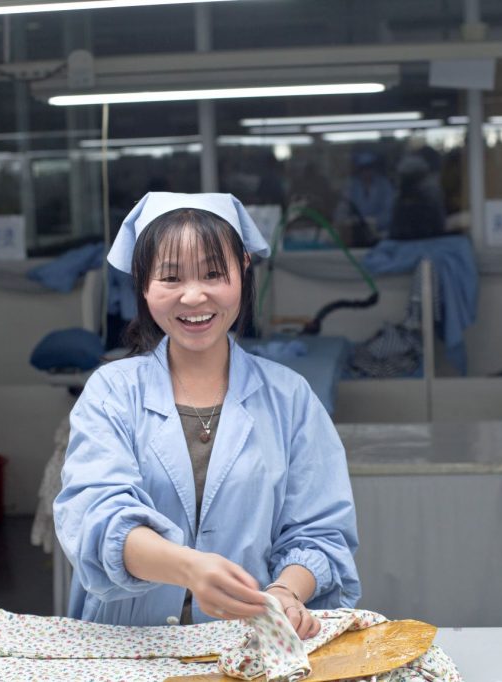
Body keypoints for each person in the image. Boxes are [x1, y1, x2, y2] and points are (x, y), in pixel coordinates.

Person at [54, 192, 360, 638]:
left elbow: (319, 532)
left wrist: (286, 592)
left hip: (248, 637)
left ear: (243, 268)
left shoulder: (290, 397)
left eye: (214, 273)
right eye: (171, 277)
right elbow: (96, 519)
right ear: (143, 282)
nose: (194, 296)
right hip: (129, 643)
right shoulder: (112, 392)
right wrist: (188, 569)